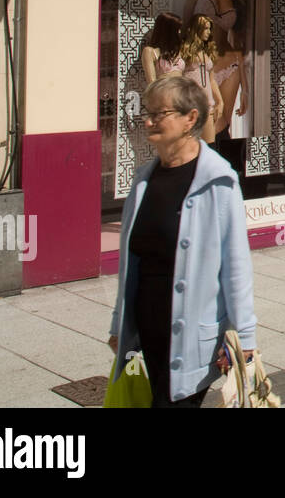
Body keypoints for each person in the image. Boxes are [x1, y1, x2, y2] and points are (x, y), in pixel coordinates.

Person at [108, 75, 256, 407]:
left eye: (160, 113)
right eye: (148, 112)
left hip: (194, 337)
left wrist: (244, 335)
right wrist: (121, 323)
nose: (148, 120)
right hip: (149, 328)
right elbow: (131, 263)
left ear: (190, 118)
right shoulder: (143, 180)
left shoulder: (218, 181)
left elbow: (236, 265)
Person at [184, 0, 254, 137]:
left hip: (229, 65)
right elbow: (185, 24)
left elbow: (240, 44)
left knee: (221, 126)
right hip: (202, 65)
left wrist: (246, 90)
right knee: (198, 125)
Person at [178, 14, 226, 146]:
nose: (209, 32)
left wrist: (220, 101)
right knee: (189, 147)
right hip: (190, 104)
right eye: (205, 28)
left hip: (207, 105)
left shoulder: (207, 52)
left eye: (209, 29)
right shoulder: (184, 50)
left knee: (209, 148)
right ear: (197, 29)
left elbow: (211, 80)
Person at [140, 12, 185, 83]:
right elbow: (151, 82)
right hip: (163, 92)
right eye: (177, 29)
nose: (180, 32)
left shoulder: (178, 51)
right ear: (168, 31)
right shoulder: (149, 51)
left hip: (180, 92)